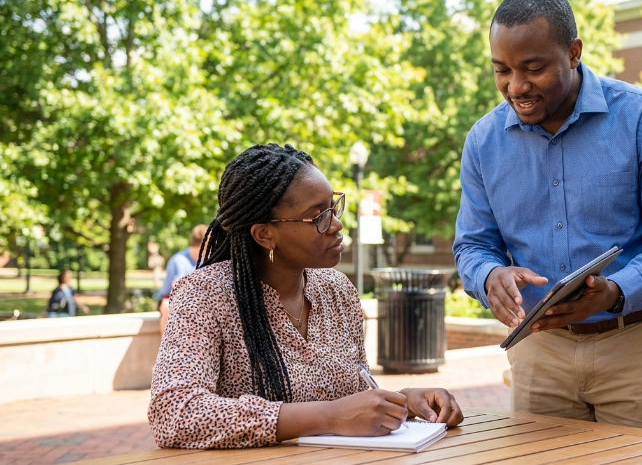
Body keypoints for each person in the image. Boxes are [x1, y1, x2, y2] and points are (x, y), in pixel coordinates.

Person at [452, 0, 642, 433]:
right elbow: (473, 244)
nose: (516, 86)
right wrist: (488, 276)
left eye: (533, 68)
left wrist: (616, 290)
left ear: (574, 53)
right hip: (539, 351)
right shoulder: (483, 141)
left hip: (638, 345)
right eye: (502, 69)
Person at [148, 144, 462, 449]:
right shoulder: (205, 294)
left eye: (334, 206)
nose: (337, 224)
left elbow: (354, 402)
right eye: (318, 216)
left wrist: (404, 401)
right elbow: (174, 413)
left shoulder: (337, 290)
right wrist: (328, 417)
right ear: (265, 234)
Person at [157, 224, 207, 336]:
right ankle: (167, 346)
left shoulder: (207, 260)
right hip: (170, 298)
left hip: (195, 299)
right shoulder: (179, 260)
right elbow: (176, 290)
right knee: (166, 306)